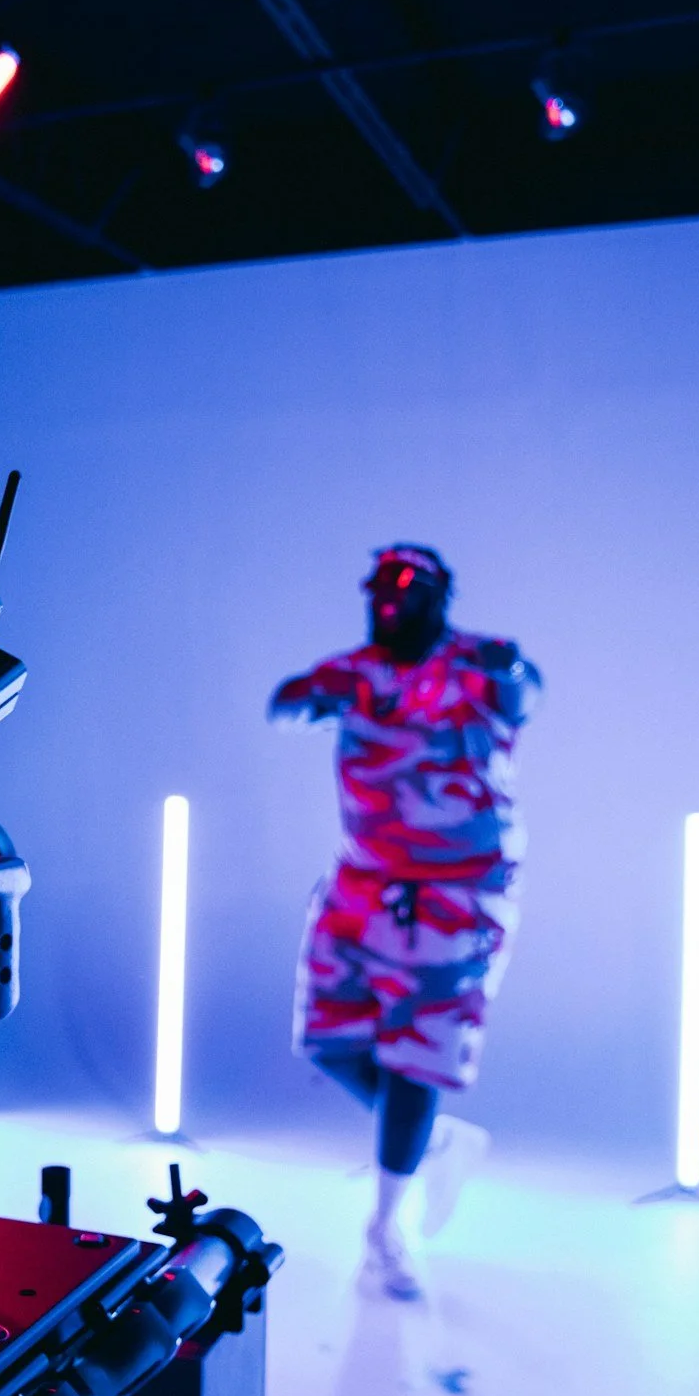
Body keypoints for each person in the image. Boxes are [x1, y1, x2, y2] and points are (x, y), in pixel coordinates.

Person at [269, 543, 541, 1299]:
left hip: (456, 895)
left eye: (406, 588)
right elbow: (288, 702)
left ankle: (389, 1227)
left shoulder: (481, 662)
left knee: (417, 1056)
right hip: (364, 880)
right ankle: (433, 1142)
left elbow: (524, 693)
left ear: (438, 595)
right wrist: (312, 704)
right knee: (326, 1038)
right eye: (379, 588)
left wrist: (512, 679)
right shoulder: (354, 673)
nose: (389, 600)